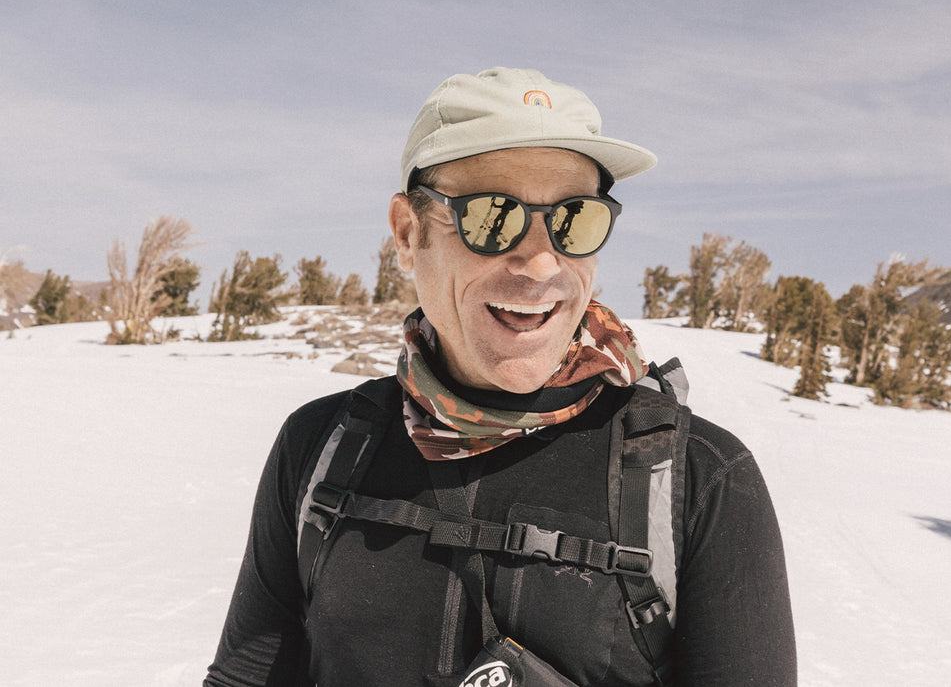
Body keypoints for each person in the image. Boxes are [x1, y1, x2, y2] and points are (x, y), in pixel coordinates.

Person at [205, 67, 797, 686]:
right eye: (493, 217)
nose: (542, 262)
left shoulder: (698, 479)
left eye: (575, 219)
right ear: (408, 235)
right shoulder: (322, 449)